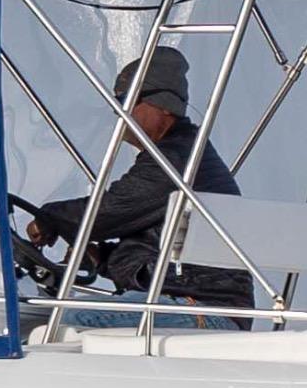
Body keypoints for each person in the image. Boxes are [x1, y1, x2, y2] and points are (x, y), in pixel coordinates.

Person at [19, 49, 255, 309]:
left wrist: (50, 218)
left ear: (164, 105)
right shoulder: (181, 151)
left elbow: (107, 214)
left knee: (61, 322)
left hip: (198, 306)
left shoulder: (175, 158)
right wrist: (101, 258)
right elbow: (151, 242)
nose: (119, 112)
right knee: (48, 319)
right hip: (185, 299)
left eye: (126, 101)